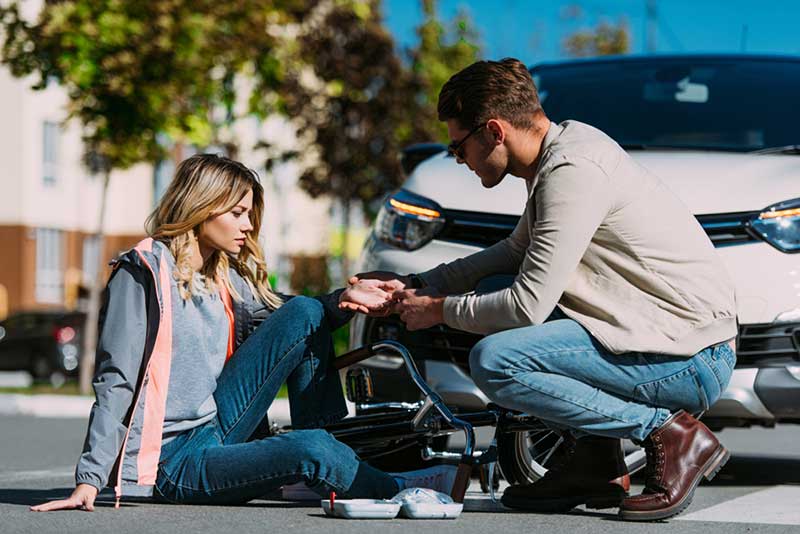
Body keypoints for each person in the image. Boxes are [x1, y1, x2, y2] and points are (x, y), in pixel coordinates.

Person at [351, 58, 737, 522]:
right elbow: (514, 250)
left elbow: (527, 306)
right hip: (663, 339)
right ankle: (595, 462)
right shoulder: (558, 155)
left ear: (494, 131)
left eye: (459, 147)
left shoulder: (573, 169)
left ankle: (671, 435)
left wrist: (438, 310)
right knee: (505, 302)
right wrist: (420, 284)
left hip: (690, 358)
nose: (459, 159)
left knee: (497, 361)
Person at [31, 154, 452, 512]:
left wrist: (344, 297)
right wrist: (90, 479)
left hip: (216, 425)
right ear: (201, 208)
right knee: (310, 449)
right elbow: (117, 378)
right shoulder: (142, 273)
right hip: (171, 463)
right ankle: (400, 489)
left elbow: (287, 320)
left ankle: (334, 460)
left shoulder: (221, 276)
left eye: (249, 213)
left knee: (305, 311)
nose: (248, 225)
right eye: (237, 213)